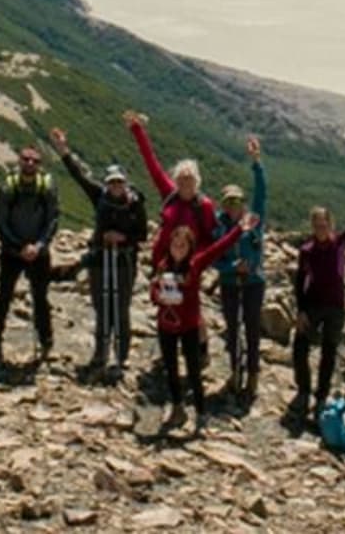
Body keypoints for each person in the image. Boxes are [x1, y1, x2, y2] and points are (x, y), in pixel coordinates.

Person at [52, 125, 148, 376]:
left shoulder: (136, 204)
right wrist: (64, 150)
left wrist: (122, 237)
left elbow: (143, 235)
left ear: (125, 184)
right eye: (112, 182)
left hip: (124, 259)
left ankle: (122, 355)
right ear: (107, 184)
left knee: (122, 307)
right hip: (100, 258)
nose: (115, 186)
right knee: (101, 306)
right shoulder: (100, 196)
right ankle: (100, 352)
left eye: (119, 182)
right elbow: (78, 176)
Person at [288, 176, 345, 422]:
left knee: (328, 353)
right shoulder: (306, 251)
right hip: (313, 305)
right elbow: (299, 282)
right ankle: (304, 390)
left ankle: (320, 396)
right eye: (317, 224)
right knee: (299, 349)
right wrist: (301, 311)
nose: (320, 228)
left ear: (330, 224)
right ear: (312, 226)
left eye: (324, 224)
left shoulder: (340, 242)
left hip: (335, 308)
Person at [152, 214, 252, 435]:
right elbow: (154, 291)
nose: (178, 249)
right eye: (175, 244)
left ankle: (200, 412)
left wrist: (239, 230)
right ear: (170, 245)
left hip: (189, 325)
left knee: (194, 370)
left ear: (190, 247)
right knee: (171, 369)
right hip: (167, 325)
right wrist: (160, 296)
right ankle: (178, 408)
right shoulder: (163, 266)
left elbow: (218, 248)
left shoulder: (196, 264)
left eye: (183, 245)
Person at [0, 140, 63, 367]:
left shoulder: (45, 187)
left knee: (39, 297)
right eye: (26, 159)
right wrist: (25, 246)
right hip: (15, 251)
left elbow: (53, 219)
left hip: (32, 251)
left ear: (39, 164)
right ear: (19, 161)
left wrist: (37, 246)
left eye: (34, 160)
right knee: (5, 295)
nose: (30, 163)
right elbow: (0, 222)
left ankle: (45, 339)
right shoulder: (8, 188)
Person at [212, 136, 270, 398]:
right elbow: (213, 257)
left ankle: (254, 375)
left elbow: (262, 193)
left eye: (237, 202)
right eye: (229, 202)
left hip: (254, 282)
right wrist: (231, 267)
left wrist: (257, 163)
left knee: (252, 326)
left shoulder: (253, 220)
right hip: (229, 282)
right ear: (223, 204)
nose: (233, 206)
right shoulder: (218, 226)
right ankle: (235, 371)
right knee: (233, 329)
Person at [124, 110, 214, 265]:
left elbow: (209, 237)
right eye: (182, 178)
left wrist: (197, 260)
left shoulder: (204, 205)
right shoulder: (169, 193)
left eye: (189, 178)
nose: (185, 182)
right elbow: (151, 162)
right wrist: (137, 130)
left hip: (189, 266)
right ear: (176, 180)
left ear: (197, 181)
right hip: (162, 261)